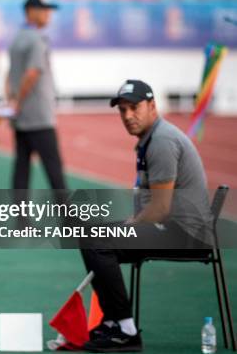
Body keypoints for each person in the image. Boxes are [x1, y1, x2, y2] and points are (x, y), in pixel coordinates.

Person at [81, 79, 213, 352]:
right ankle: (112, 322)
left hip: (184, 233)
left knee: (97, 240)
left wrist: (133, 223)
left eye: (134, 108)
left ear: (152, 106)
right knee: (92, 236)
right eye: (122, 110)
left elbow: (161, 209)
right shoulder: (149, 139)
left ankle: (126, 331)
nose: (128, 116)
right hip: (173, 227)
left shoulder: (162, 141)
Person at [7, 0, 66, 191]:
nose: (48, 13)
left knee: (21, 168)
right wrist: (19, 101)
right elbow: (32, 73)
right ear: (31, 11)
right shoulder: (37, 39)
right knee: (54, 170)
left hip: (21, 116)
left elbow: (9, 75)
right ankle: (69, 220)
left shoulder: (17, 38)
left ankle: (21, 219)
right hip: (39, 116)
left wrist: (12, 102)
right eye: (44, 9)